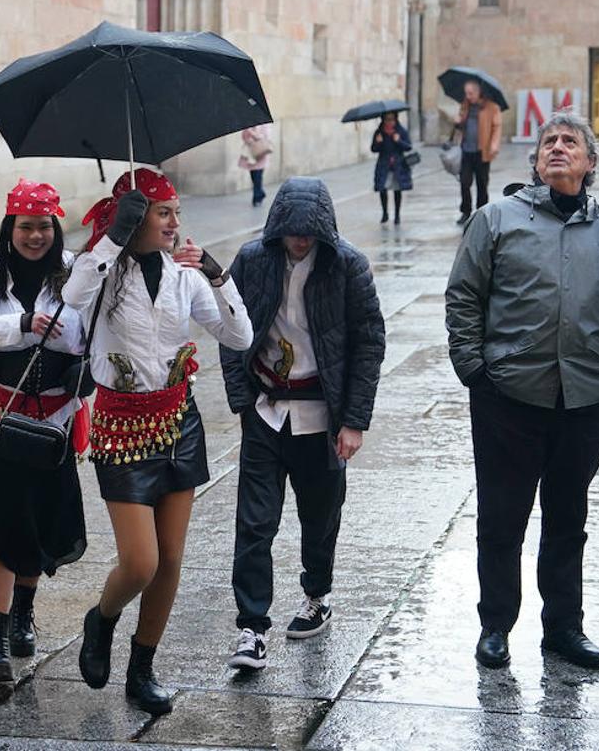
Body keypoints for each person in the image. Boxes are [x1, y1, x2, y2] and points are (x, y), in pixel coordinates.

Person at [445, 112, 599, 670]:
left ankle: (563, 627)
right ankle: (495, 626)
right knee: (502, 519)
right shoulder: (496, 220)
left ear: (589, 162)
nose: (558, 148)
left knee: (567, 518)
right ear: (535, 161)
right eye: (548, 142)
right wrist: (474, 370)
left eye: (570, 142)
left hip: (584, 401)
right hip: (507, 397)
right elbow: (463, 297)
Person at [64, 168, 253, 714]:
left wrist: (218, 274)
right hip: (121, 426)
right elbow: (72, 298)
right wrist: (110, 239)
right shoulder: (100, 272)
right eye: (163, 212)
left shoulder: (184, 276)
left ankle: (141, 669)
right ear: (135, 216)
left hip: (178, 424)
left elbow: (239, 336)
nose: (174, 224)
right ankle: (100, 620)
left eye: (176, 212)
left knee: (170, 558)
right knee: (140, 561)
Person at [220, 177, 385, 671]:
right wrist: (242, 400)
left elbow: (369, 342)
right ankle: (251, 628)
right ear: (277, 227)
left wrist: (353, 421)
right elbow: (228, 326)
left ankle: (317, 595)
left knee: (320, 516)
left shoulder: (347, 265)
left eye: (308, 232)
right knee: (255, 521)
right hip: (267, 412)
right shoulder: (252, 261)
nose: (299, 239)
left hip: (322, 414)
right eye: (291, 230)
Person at [0, 179, 88, 685]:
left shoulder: (75, 276)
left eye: (43, 226)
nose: (35, 236)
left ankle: (24, 611)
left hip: (52, 424)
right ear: (10, 229)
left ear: (55, 227)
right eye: (25, 226)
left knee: (39, 522)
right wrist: (20, 324)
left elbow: (96, 330)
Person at [456, 79, 502, 225]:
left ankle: (482, 213)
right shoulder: (465, 106)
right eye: (466, 93)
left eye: (470, 93)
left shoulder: (492, 107)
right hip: (466, 150)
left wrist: (494, 144)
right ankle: (465, 211)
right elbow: (460, 127)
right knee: (464, 182)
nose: (468, 96)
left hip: (482, 152)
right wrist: (457, 121)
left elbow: (497, 127)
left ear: (478, 92)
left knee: (482, 184)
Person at [371, 111, 413, 225]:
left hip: (398, 166)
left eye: (391, 119)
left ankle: (397, 215)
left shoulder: (401, 131)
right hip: (384, 165)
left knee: (397, 190)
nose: (389, 122)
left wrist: (398, 141)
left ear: (395, 120)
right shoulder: (379, 132)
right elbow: (374, 149)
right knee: (382, 189)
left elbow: (408, 146)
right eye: (387, 119)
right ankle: (385, 213)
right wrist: (378, 143)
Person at [238, 124, 273, 206]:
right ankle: (260, 193)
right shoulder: (248, 124)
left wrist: (253, 134)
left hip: (261, 152)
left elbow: (266, 136)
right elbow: (244, 137)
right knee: (253, 175)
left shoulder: (264, 125)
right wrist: (248, 133)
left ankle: (257, 198)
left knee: (258, 175)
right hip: (251, 153)